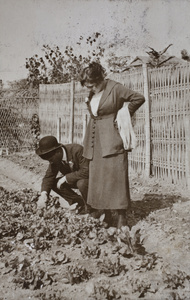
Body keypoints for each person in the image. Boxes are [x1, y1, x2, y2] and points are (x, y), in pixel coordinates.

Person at [79, 62, 145, 228]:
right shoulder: (92, 93)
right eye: (88, 86)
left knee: (116, 177)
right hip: (95, 142)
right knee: (99, 178)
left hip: (112, 139)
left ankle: (122, 217)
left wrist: (122, 115)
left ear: (100, 79)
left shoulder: (115, 88)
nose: (91, 89)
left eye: (92, 85)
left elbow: (138, 98)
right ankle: (106, 214)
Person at [36, 135, 89, 212]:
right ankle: (79, 203)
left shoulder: (77, 150)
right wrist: (44, 194)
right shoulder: (55, 158)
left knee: (81, 183)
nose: (50, 162)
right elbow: (49, 177)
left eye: (51, 159)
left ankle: (92, 208)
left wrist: (65, 178)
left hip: (90, 180)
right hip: (75, 179)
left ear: (58, 152)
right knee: (54, 183)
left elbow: (86, 171)